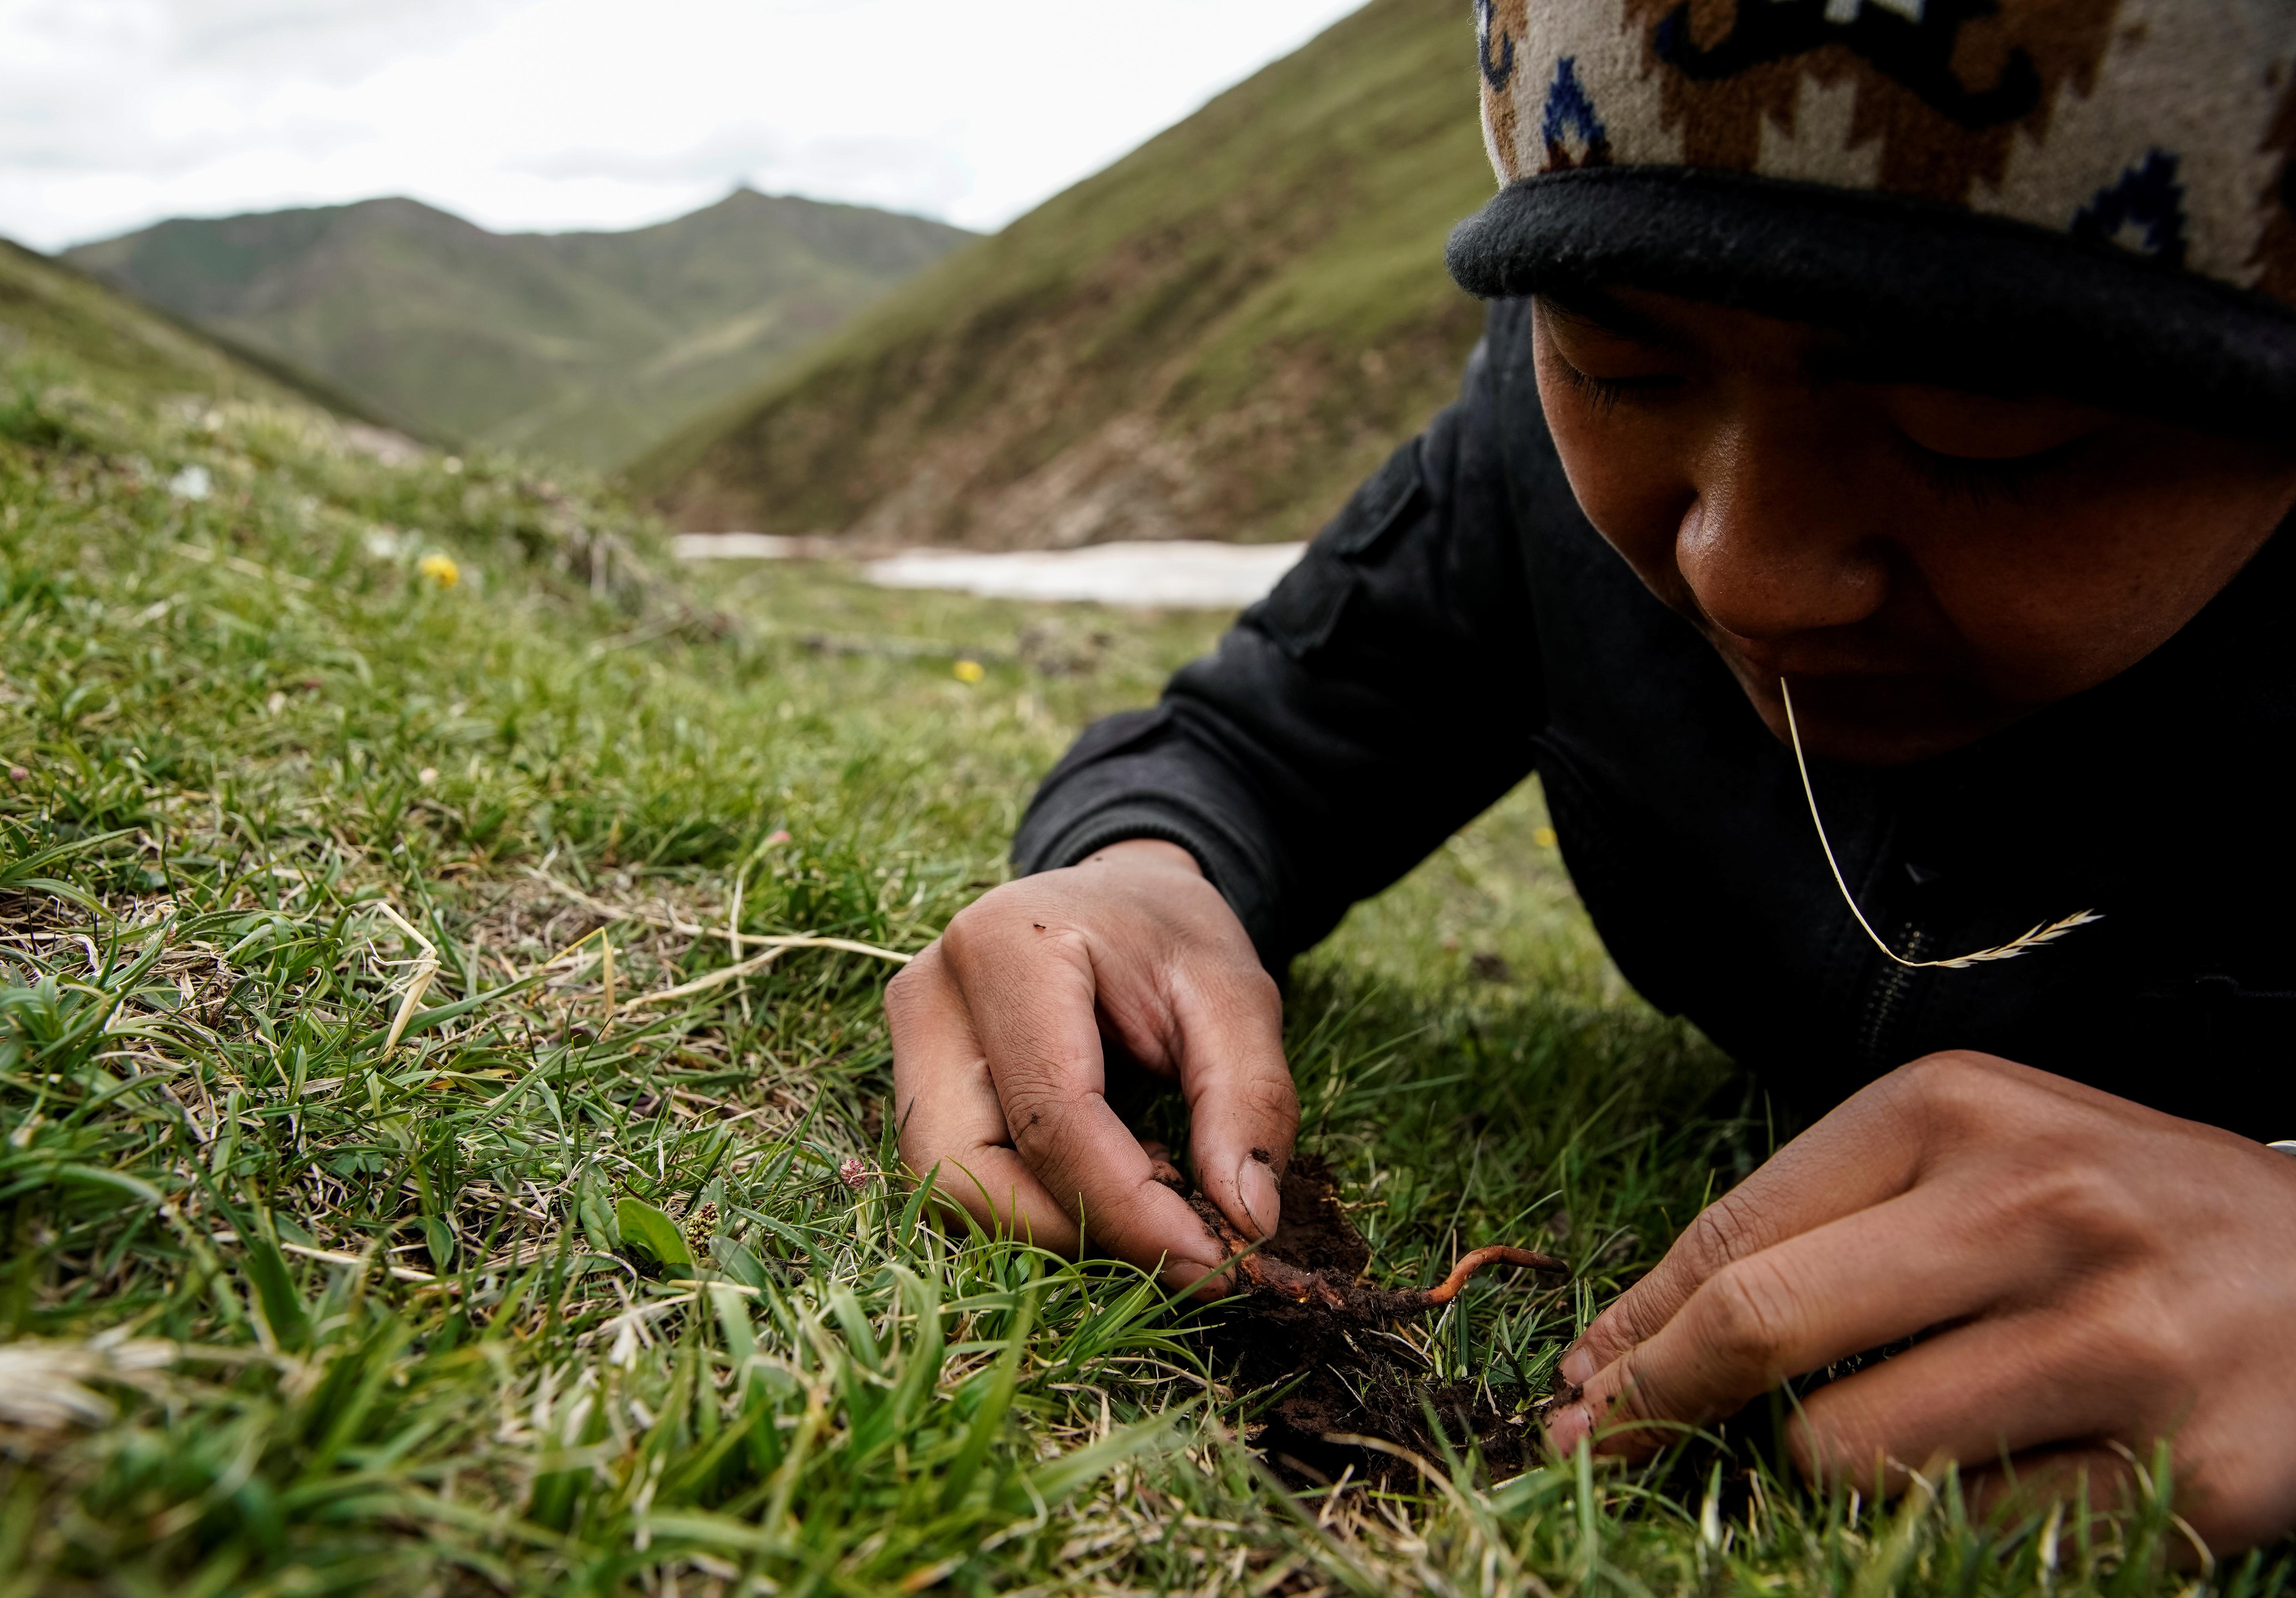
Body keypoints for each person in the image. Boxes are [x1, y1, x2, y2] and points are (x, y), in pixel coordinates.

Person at [886, 0, 2296, 1552]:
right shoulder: (1524, 457)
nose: (1740, 565)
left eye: (1985, 434)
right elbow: (1245, 742)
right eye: (1620, 361)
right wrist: (1136, 875)